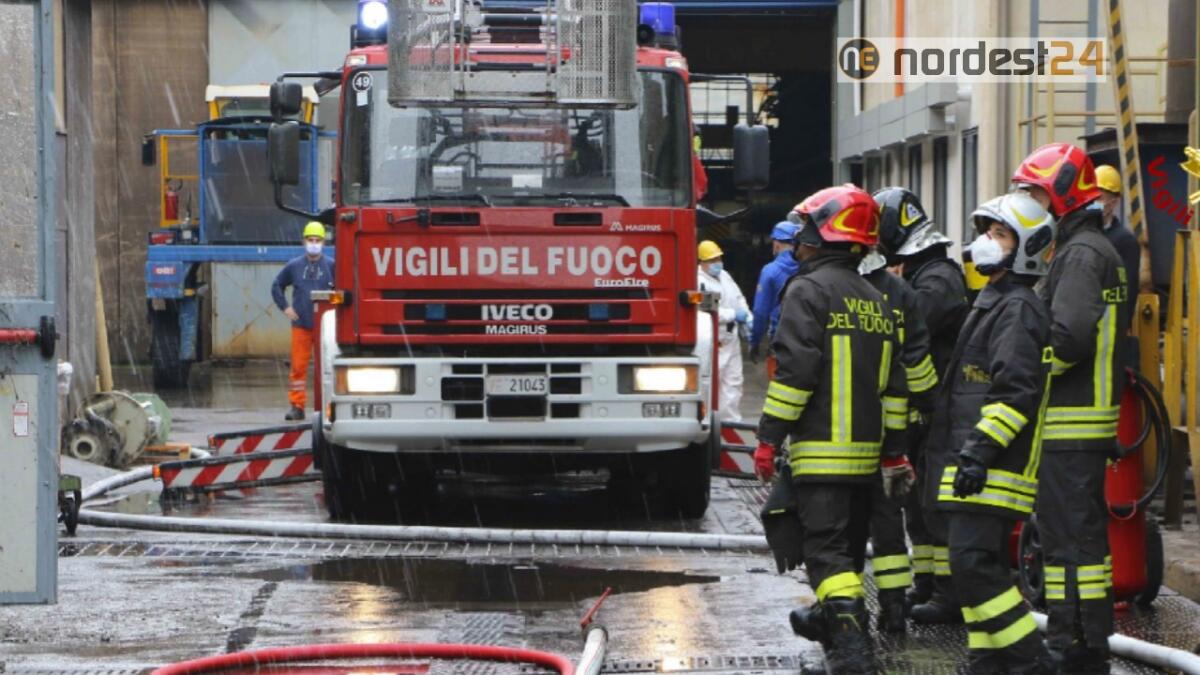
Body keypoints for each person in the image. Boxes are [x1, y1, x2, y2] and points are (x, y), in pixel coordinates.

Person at [753, 185, 911, 674]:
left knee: (828, 557)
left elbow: (795, 373)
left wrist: (768, 437)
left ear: (827, 233)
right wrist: (894, 453)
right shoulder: (877, 299)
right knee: (846, 553)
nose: (799, 237)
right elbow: (897, 387)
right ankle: (835, 633)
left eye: (806, 227)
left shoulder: (807, 290)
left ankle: (851, 659)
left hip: (821, 457)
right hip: (866, 461)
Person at [1013, 143, 1132, 674]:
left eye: (1036, 193)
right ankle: (1077, 635)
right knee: (1072, 535)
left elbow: (1069, 338)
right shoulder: (1089, 247)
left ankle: (1077, 641)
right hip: (1080, 418)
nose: (1032, 203)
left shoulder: (1082, 254)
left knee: (1070, 538)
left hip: (1070, 418)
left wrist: (1020, 367)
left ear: (1061, 192)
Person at [931, 192, 1057, 674]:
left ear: (1024, 248)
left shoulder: (1018, 309)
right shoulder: (997, 302)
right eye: (986, 231)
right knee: (971, 567)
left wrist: (979, 452)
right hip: (977, 461)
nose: (985, 241)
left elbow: (1015, 390)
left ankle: (1031, 659)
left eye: (999, 234)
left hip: (994, 466)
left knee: (972, 564)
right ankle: (988, 661)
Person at [871, 186, 970, 621]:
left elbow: (907, 329)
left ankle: (949, 594)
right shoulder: (921, 271)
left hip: (941, 412)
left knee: (936, 503)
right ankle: (928, 584)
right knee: (918, 505)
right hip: (922, 413)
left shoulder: (939, 277)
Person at [859, 249, 939, 634]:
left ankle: (845, 613)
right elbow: (918, 361)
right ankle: (892, 610)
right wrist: (925, 408)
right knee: (889, 516)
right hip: (895, 429)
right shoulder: (901, 292)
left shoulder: (823, 288)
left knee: (840, 525)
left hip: (838, 433)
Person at [272, 222, 335, 421]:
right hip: (301, 326)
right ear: (304, 241)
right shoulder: (294, 266)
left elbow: (345, 290)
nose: (314, 243)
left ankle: (328, 406)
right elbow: (276, 286)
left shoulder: (332, 266)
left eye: (317, 240)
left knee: (326, 367)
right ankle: (297, 406)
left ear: (324, 242)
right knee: (298, 368)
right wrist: (285, 307)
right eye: (310, 240)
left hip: (326, 327)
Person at [697, 240, 751, 422]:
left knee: (733, 383)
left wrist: (748, 317)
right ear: (702, 262)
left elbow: (738, 297)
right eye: (712, 260)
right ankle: (709, 424)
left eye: (718, 258)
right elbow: (708, 311)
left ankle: (731, 424)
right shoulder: (699, 282)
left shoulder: (725, 276)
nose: (717, 262)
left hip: (731, 339)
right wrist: (733, 315)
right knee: (712, 385)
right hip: (713, 341)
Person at [749, 221, 802, 379]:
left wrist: (755, 341)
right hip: (808, 336)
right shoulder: (809, 268)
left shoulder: (770, 271)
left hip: (780, 339)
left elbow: (760, 312)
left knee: (779, 388)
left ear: (777, 243)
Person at [1093, 164, 1141, 324]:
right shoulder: (1082, 235)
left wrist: (1122, 326)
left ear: (1114, 202)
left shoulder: (1124, 241)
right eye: (1091, 198)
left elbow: (1129, 290)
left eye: (1099, 198)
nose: (1093, 203)